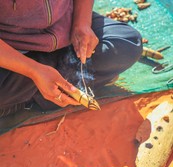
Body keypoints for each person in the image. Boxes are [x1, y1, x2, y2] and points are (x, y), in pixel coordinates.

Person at [0, 0, 143, 118]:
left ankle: (34, 93)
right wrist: (33, 70)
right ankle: (43, 91)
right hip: (13, 50)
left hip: (67, 30)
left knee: (127, 45)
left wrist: (82, 23)